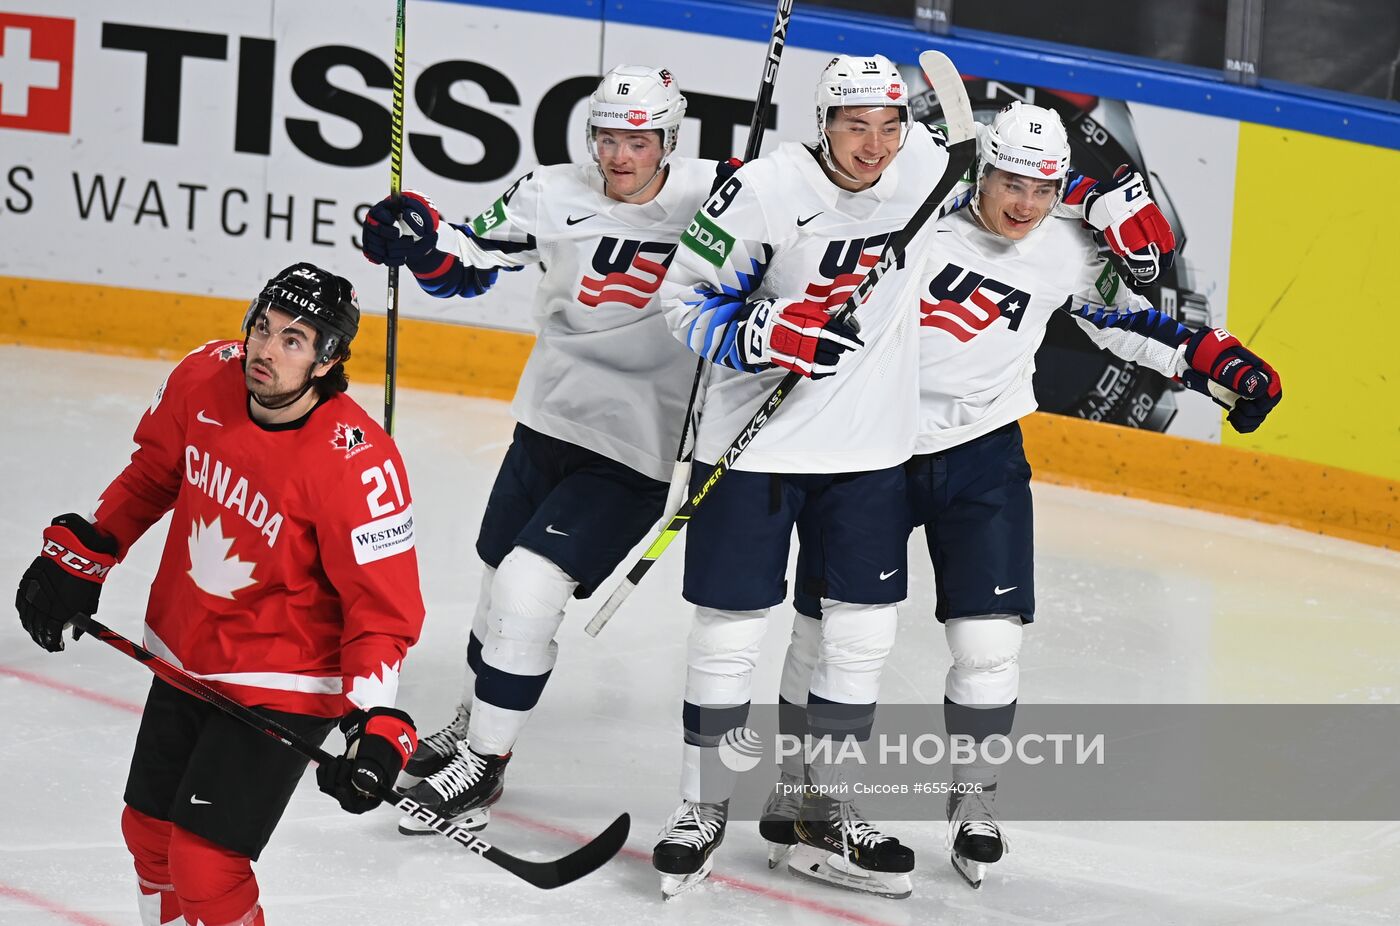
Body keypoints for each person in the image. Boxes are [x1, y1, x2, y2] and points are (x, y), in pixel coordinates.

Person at [770, 101, 1282, 890]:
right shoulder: (914, 210)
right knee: (838, 634)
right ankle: (810, 795)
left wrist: (1224, 365)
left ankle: (973, 803)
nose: (1024, 204)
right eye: (1011, 182)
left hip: (982, 461)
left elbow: (1137, 325)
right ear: (981, 171)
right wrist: (1098, 183)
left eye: (1043, 189)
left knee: (988, 649)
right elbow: (851, 173)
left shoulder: (1060, 255)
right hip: (869, 443)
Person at [359, 65, 721, 833]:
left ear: (670, 138)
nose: (621, 155)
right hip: (546, 423)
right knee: (496, 587)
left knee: (529, 589)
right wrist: (417, 241)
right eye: (608, 137)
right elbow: (464, 260)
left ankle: (483, 767)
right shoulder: (550, 192)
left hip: (634, 447)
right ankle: (471, 720)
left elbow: (812, 220)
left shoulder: (717, 196)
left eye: (639, 139)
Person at [648, 53, 976, 900]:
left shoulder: (927, 170)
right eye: (855, 126)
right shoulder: (761, 189)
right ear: (822, 123)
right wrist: (768, 334)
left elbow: (999, 170)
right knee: (730, 635)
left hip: (870, 457)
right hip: (752, 450)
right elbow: (682, 300)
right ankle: (701, 805)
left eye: (890, 126)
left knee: (857, 638)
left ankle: (822, 808)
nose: (875, 146)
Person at [14, 263, 425, 926]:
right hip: (189, 652)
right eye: (262, 327)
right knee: (148, 836)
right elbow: (153, 474)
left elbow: (382, 612)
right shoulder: (204, 375)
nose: (266, 349)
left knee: (207, 867)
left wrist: (374, 720)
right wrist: (88, 553)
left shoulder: (358, 465)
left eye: (293, 339)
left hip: (285, 677)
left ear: (327, 360)